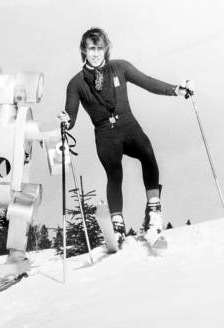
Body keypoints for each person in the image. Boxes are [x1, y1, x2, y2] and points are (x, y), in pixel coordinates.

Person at [58, 27, 193, 247]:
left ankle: (153, 210)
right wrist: (65, 120)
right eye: (91, 49)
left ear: (106, 49)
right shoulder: (76, 83)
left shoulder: (120, 67)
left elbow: (148, 82)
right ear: (84, 50)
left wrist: (176, 90)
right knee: (114, 173)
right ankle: (117, 225)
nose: (96, 53)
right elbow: (70, 117)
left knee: (148, 154)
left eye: (100, 48)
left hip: (128, 125)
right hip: (104, 133)